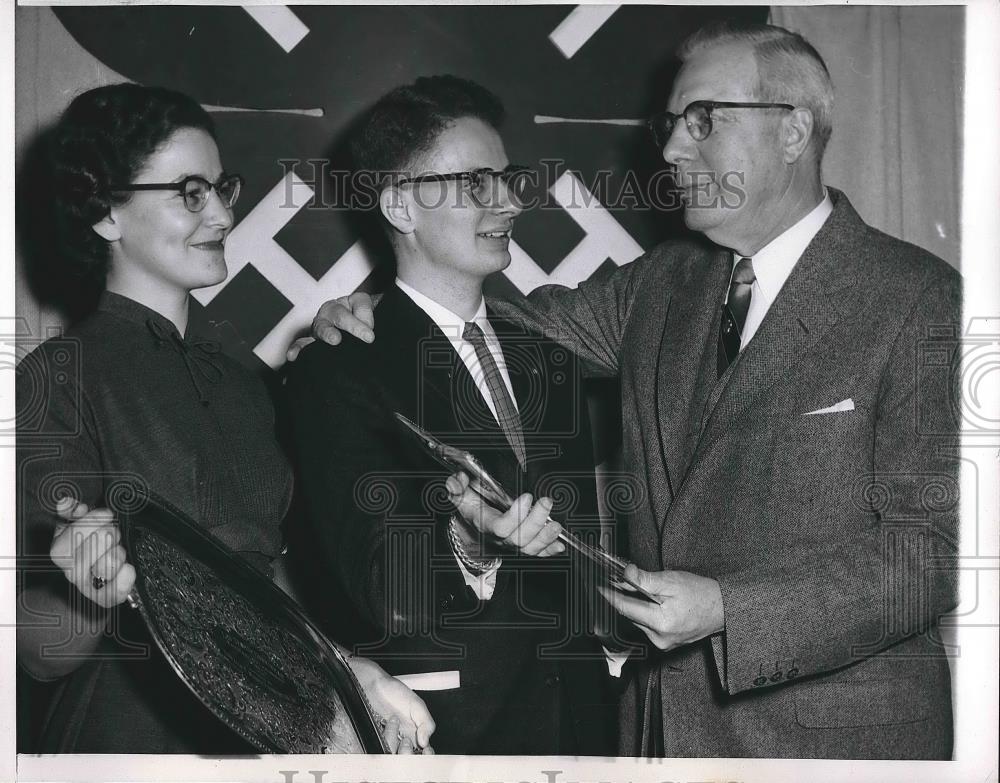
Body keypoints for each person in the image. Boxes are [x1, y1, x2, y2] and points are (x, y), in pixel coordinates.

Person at [310, 22, 961, 759]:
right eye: (671, 124)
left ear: (793, 130)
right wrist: (370, 311)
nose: (672, 148)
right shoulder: (666, 282)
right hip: (660, 740)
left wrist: (728, 610)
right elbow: (483, 317)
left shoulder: (919, 299)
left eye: (703, 120)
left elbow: (934, 553)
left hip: (835, 747)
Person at [15, 83, 434, 754]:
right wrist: (90, 594)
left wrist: (350, 675)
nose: (221, 213)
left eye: (220, 187)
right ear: (105, 215)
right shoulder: (59, 376)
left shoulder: (249, 380)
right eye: (189, 192)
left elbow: (269, 588)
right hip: (130, 743)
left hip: (268, 732)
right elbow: (37, 652)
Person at [284, 75, 616, 755]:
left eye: (509, 177)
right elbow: (385, 591)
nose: (509, 200)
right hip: (446, 739)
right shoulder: (337, 367)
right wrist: (474, 543)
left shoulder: (549, 357)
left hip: (585, 730)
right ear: (402, 205)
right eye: (477, 182)